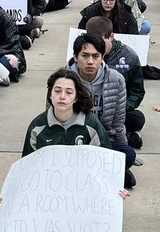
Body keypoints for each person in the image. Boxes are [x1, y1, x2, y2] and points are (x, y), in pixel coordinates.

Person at [70, 33, 137, 187]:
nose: (90, 61)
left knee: (129, 154)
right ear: (75, 57)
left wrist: (122, 153)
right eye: (84, 56)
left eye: (96, 56)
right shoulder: (63, 80)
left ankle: (99, 171)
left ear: (102, 58)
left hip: (103, 141)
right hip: (72, 142)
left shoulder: (116, 79)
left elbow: (118, 122)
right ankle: (105, 173)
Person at [84, 15, 145, 150]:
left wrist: (124, 106)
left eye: (101, 42)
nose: (97, 47)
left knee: (137, 119)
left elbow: (137, 90)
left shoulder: (129, 56)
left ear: (111, 36)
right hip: (89, 109)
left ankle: (123, 135)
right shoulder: (83, 55)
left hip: (117, 109)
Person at [21, 68, 111, 154]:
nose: (62, 96)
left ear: (76, 97)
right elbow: (27, 163)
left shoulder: (91, 123)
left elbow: (106, 158)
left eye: (69, 92)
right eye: (57, 91)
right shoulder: (37, 126)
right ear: (50, 95)